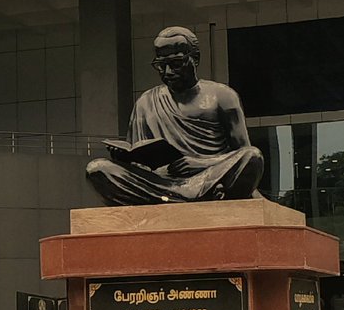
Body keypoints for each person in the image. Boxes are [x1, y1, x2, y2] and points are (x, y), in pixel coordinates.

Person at [86, 26, 264, 206]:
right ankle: (192, 201)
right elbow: (139, 162)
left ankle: (177, 201)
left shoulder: (222, 96)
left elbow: (242, 152)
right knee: (98, 169)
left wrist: (201, 163)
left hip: (209, 177)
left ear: (194, 59)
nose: (168, 72)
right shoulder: (146, 102)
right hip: (162, 182)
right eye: (161, 66)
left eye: (176, 64)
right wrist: (125, 158)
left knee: (252, 157)